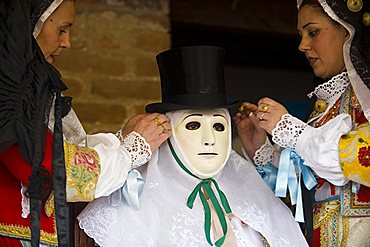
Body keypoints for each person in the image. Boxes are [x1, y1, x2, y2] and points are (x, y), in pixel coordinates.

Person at [77, 46, 308, 247]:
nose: (209, 139)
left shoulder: (252, 192)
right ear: (170, 131)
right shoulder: (133, 200)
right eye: (194, 125)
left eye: (218, 126)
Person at [0, 0, 171, 246]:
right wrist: (132, 150)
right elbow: (56, 170)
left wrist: (122, 140)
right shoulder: (9, 95)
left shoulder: (26, 90)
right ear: (31, 26)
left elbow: (62, 148)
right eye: (62, 29)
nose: (67, 42)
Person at [234, 0, 370, 246]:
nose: (302, 45)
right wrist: (261, 150)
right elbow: (297, 194)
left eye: (313, 32)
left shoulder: (366, 98)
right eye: (301, 35)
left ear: (347, 29)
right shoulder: (323, 107)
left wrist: (294, 132)